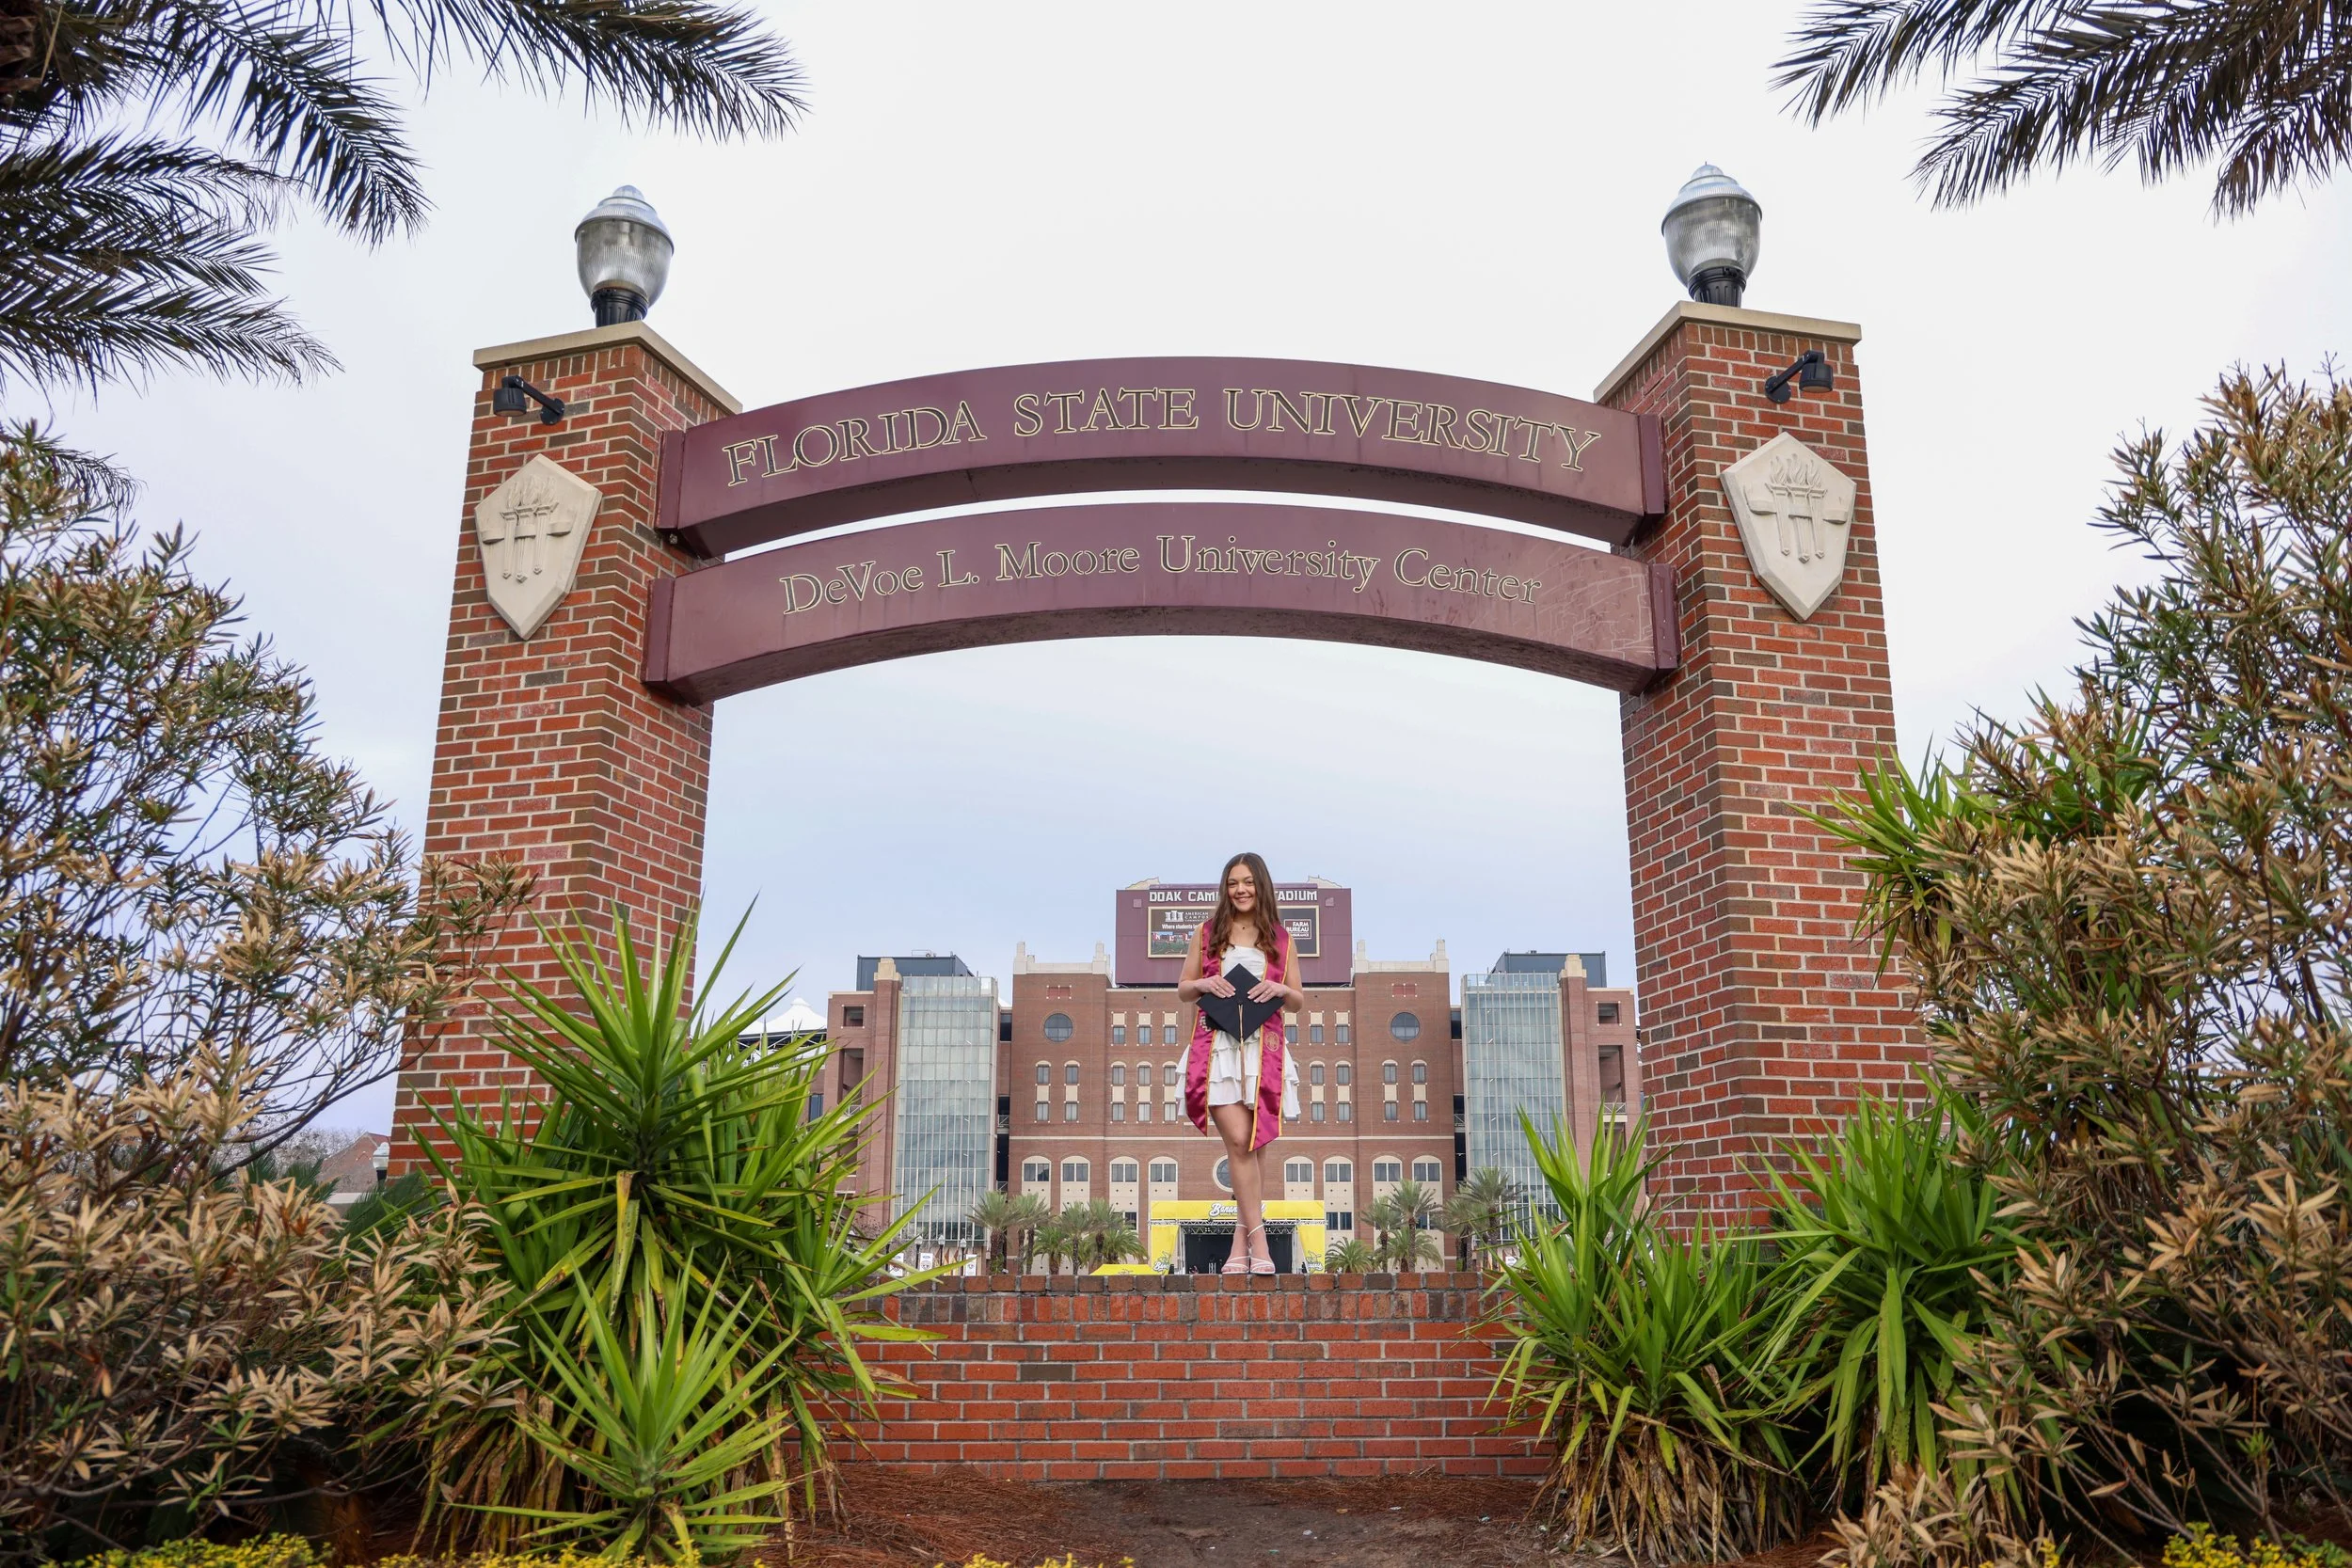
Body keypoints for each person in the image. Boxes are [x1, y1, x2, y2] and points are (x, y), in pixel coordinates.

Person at [1178, 851, 1305, 1275]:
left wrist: (1279, 990)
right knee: (1238, 1139)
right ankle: (1261, 1242)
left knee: (1255, 1142)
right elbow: (1183, 988)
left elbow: (1298, 999)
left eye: (1248, 881)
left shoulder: (1281, 939)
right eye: (1233, 883)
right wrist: (1203, 982)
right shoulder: (1207, 933)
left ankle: (1239, 1244)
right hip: (1217, 1048)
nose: (1240, 889)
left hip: (1262, 1050)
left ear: (1261, 885)